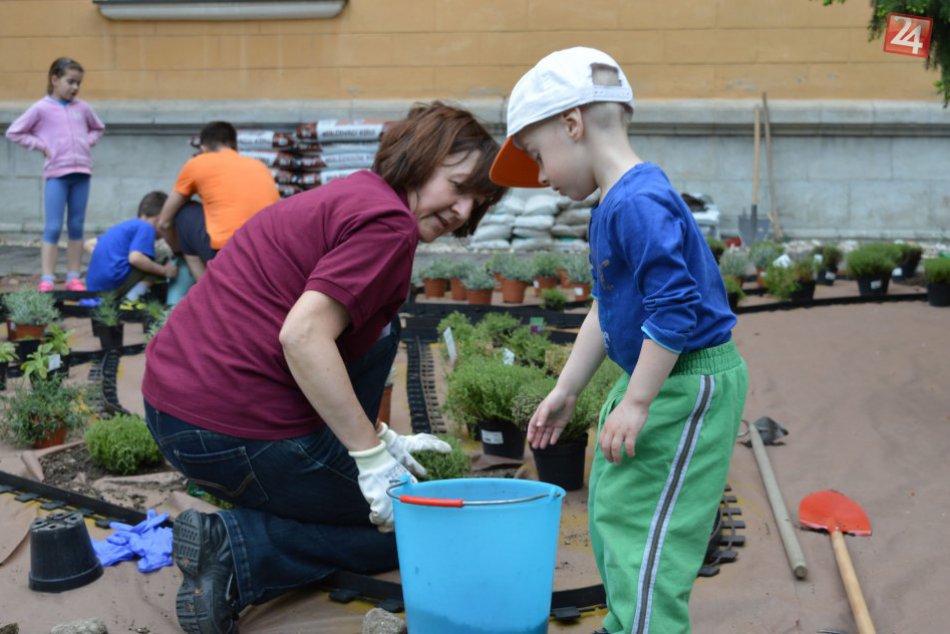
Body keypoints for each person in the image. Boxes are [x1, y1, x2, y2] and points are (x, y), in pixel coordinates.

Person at [142, 102, 505, 634]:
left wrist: (380, 437)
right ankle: (237, 548)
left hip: (172, 409)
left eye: (478, 203)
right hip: (232, 429)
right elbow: (304, 336)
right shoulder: (388, 225)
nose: (463, 212)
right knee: (417, 526)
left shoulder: (355, 194)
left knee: (378, 329)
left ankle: (258, 523)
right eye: (459, 185)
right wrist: (372, 459)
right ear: (422, 157)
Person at [489, 47, 748, 634]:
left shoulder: (638, 201)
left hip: (688, 381)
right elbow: (609, 308)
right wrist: (567, 388)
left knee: (654, 528)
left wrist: (636, 401)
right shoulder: (613, 204)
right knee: (615, 506)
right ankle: (628, 621)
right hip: (661, 376)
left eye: (537, 155)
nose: (542, 175)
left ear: (572, 124)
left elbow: (677, 307)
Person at [5, 57, 105, 292]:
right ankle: (47, 278)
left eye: (78, 83)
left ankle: (73, 276)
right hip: (57, 175)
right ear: (55, 79)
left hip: (82, 173)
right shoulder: (41, 108)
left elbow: (98, 128)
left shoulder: (83, 108)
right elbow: (14, 132)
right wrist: (42, 146)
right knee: (52, 227)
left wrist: (85, 142)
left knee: (77, 226)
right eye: (70, 82)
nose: (75, 88)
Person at [156, 120, 279, 281]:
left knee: (183, 212)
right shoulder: (259, 165)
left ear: (203, 148)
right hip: (270, 251)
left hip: (229, 251)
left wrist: (177, 251)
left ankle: (207, 290)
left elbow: (164, 222)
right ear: (235, 147)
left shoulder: (197, 162)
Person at [84, 191, 178, 301]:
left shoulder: (126, 226)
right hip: (113, 283)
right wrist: (164, 271)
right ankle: (130, 301)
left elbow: (88, 243)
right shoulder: (146, 227)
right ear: (160, 219)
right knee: (156, 262)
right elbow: (135, 258)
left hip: (94, 286)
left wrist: (108, 258)